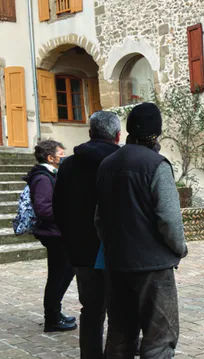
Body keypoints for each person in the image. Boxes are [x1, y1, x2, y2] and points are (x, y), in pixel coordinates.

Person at [95, 103, 187, 358]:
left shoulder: (106, 164)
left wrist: (114, 247)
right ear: (156, 133)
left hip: (117, 264)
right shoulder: (157, 164)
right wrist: (180, 248)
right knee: (159, 339)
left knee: (120, 335)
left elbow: (99, 219)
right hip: (153, 267)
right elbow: (169, 220)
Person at [53, 111, 121, 355]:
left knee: (91, 308)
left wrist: (71, 238)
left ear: (90, 132)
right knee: (120, 309)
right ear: (117, 135)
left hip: (82, 249)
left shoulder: (69, 164)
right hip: (118, 248)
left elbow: (58, 208)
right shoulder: (122, 160)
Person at [25, 140, 76, 333]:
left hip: (57, 232)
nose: (63, 156)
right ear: (50, 157)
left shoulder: (49, 175)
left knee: (65, 272)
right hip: (54, 234)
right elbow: (44, 209)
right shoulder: (43, 178)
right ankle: (52, 318)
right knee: (58, 275)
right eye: (61, 153)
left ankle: (55, 312)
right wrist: (68, 213)